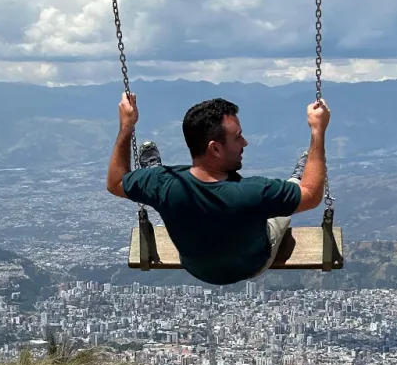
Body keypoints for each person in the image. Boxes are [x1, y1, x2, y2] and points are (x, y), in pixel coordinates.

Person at [106, 93, 331, 286]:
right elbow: (311, 195)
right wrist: (317, 131)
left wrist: (126, 125)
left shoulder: (164, 184)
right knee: (281, 213)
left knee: (158, 180)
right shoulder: (255, 193)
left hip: (197, 268)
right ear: (215, 149)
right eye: (238, 137)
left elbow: (115, 183)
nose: (245, 142)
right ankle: (296, 177)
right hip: (252, 264)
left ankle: (152, 169)